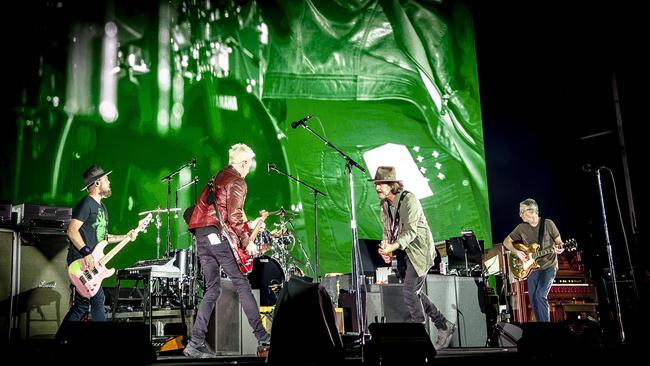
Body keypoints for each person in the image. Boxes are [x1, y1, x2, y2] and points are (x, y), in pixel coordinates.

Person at [186, 143, 270, 358]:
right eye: (248, 166)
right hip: (217, 236)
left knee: (212, 289)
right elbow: (234, 217)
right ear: (243, 163)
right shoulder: (237, 181)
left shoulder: (217, 177)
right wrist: (247, 241)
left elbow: (196, 211)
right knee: (241, 284)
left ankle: (195, 343)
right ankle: (262, 336)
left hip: (202, 236)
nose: (248, 170)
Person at [373, 166, 456, 350]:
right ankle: (443, 325)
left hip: (420, 252)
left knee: (409, 292)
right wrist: (386, 249)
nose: (377, 187)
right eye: (376, 184)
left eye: (381, 184)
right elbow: (387, 232)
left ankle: (420, 339)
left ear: (392, 184)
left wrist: (393, 246)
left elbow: (410, 232)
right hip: (405, 253)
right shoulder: (385, 206)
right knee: (414, 292)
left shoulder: (409, 200)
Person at [61, 164, 137, 323]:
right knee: (92, 301)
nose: (109, 182)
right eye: (106, 179)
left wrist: (126, 236)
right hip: (80, 263)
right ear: (97, 183)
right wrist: (87, 252)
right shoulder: (86, 204)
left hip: (91, 262)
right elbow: (72, 230)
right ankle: (94, 341)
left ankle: (63, 341)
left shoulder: (102, 208)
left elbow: (104, 237)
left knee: (84, 305)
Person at [503, 198, 564, 322]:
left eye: (522, 211)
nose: (520, 214)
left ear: (531, 211)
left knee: (540, 295)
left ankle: (545, 329)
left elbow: (559, 242)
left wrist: (560, 247)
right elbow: (506, 242)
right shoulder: (521, 228)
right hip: (532, 269)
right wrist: (517, 252)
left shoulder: (548, 224)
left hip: (549, 266)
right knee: (533, 299)